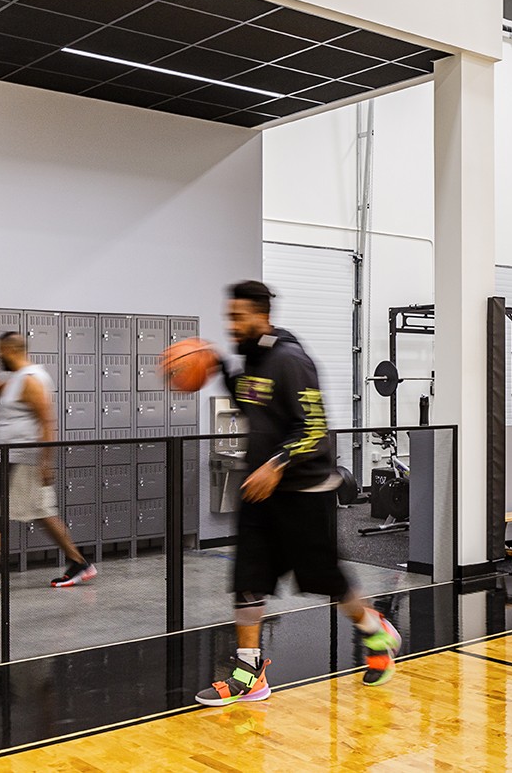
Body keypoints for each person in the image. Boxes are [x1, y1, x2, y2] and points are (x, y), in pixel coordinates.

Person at [195, 280, 400, 706]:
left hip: (303, 491)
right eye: (228, 317)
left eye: (238, 317)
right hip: (259, 492)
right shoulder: (252, 361)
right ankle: (249, 673)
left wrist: (276, 464)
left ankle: (376, 631)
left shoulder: (290, 359)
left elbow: (313, 428)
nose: (231, 326)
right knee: (247, 580)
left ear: (261, 316)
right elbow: (256, 403)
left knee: (326, 581)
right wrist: (222, 371)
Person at [0, 332, 96, 596]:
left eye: (0, 353)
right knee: (41, 511)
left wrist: (46, 462)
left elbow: (47, 421)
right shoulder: (18, 380)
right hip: (12, 457)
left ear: (11, 350)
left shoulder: (31, 380)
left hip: (22, 459)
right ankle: (79, 562)